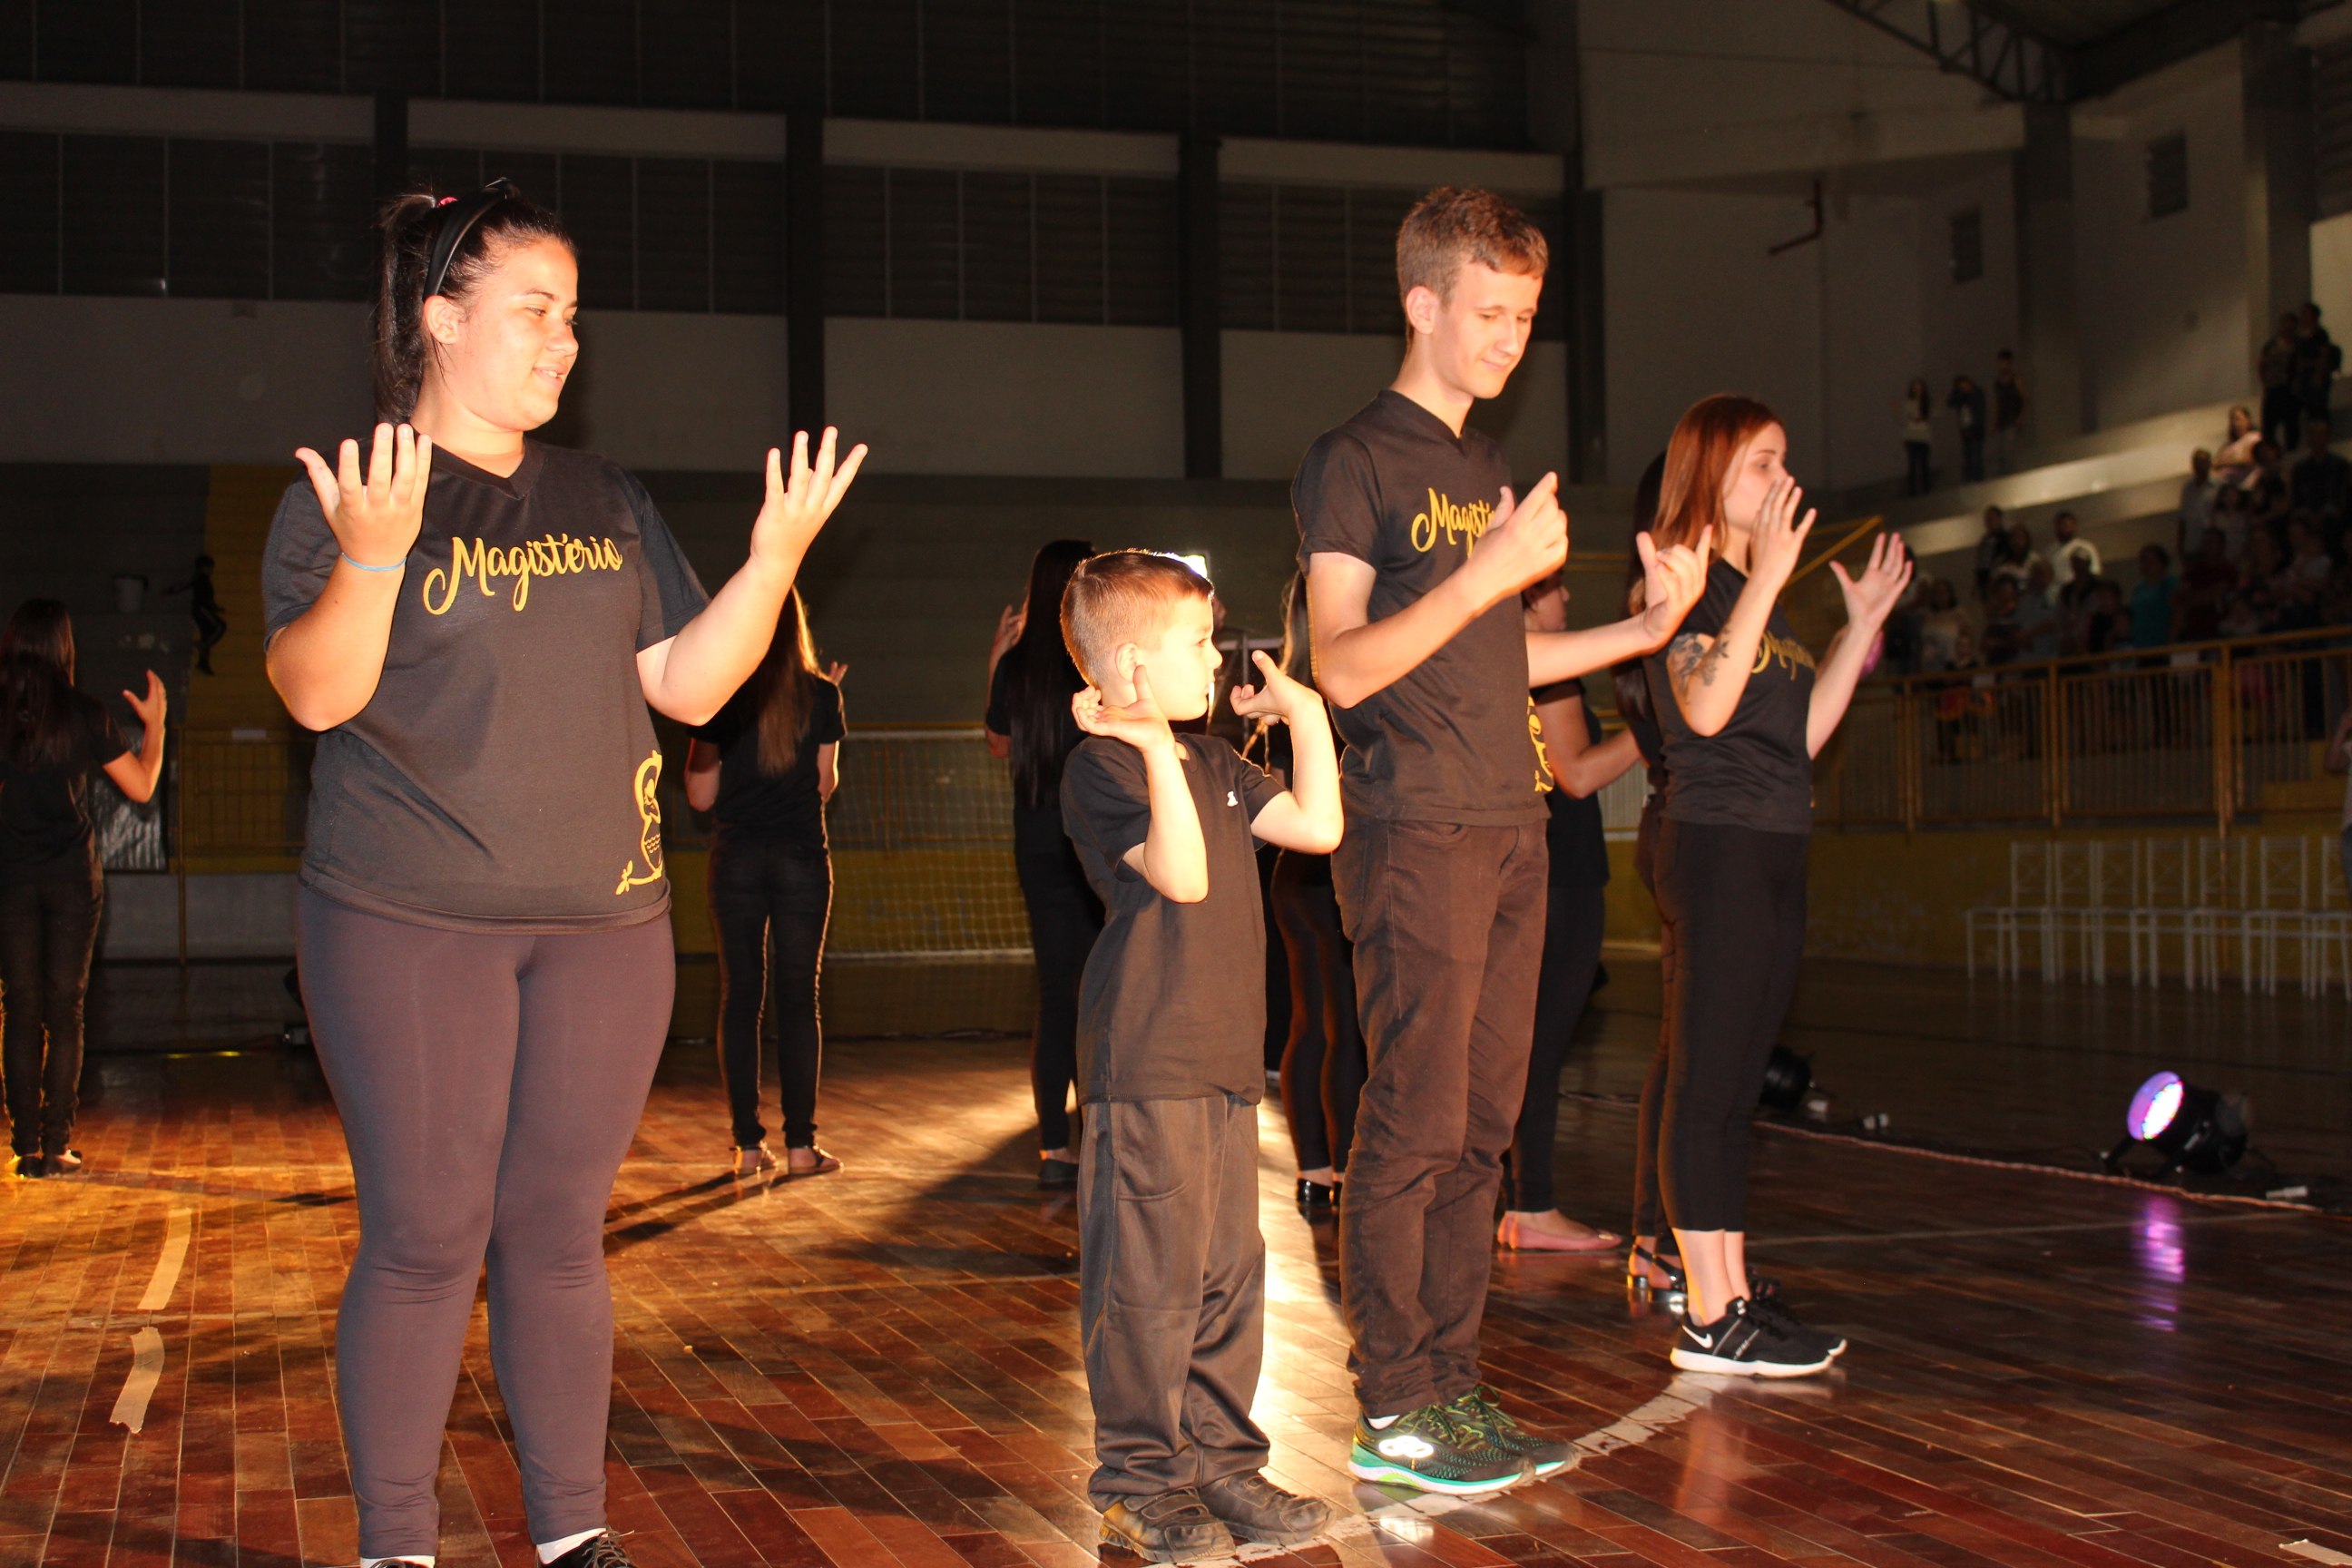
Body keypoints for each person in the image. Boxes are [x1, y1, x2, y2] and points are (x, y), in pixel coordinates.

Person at [261, 179, 866, 1568]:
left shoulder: (605, 495)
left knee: (556, 1235)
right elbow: (314, 694)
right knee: (425, 1237)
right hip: (409, 921)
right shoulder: (360, 494)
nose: (563, 341)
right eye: (535, 311)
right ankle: (398, 1544)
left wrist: (771, 563)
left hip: (606, 925)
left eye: (573, 318)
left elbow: (691, 689)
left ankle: (570, 1533)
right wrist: (368, 564)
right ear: (438, 319)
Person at [1295, 185, 1710, 1493]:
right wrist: (1486, 570)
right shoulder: (1356, 459)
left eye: (1527, 317)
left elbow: (1509, 653)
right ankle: (1395, 1403)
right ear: (1422, 302)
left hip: (1511, 826)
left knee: (1484, 1130)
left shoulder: (1482, 473)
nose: (1510, 339)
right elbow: (1344, 664)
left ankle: (1453, 1387)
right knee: (1413, 1124)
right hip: (1414, 828)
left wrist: (1642, 633)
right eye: (1490, 312)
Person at [1055, 550, 1342, 1561]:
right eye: (1196, 644)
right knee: (1149, 1285)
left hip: (1221, 1067)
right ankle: (1141, 1479)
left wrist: (1305, 713)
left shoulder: (1219, 763)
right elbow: (1176, 876)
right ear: (1130, 668)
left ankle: (1222, 1463)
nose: (1218, 659)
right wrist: (1145, 746)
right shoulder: (1100, 769)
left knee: (1228, 1276)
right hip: (1148, 1066)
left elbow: (1318, 824)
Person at [1644, 393, 1911, 1376]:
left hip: (1773, 844)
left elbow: (1798, 736)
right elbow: (1706, 708)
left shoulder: (1766, 589)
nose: (1781, 478)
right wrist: (1758, 582)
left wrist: (1859, 626)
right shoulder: (1684, 580)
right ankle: (1710, 1314)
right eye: (1762, 462)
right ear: (1712, 473)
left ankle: (1736, 1293)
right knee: (1705, 1082)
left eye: (1784, 459)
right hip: (1713, 848)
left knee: (1733, 1089)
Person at [1497, 571, 1642, 1252]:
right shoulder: (1550, 673)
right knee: (1541, 1046)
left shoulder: (1506, 663)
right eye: (1556, 588)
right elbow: (1576, 772)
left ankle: (1516, 1198)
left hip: (1539, 866)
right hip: (1560, 872)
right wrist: (1654, 727)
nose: (1568, 597)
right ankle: (1533, 1205)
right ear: (1529, 596)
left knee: (1521, 1043)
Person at [0, 600, 166, 1179]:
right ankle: (56, 1144)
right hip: (72, 878)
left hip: (11, 879)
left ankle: (22, 1147)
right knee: (65, 1010)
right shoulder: (83, 713)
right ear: (64, 648)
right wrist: (157, 724)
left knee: (19, 1008)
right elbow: (143, 787)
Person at [685, 586, 847, 1180]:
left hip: (737, 859)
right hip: (802, 857)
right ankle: (802, 1148)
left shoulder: (721, 697)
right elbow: (824, 787)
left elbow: (700, 794)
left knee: (740, 997)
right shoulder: (823, 696)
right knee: (799, 997)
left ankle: (747, 1148)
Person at [985, 540, 1102, 1187]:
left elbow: (998, 742)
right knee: (1098, 990)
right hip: (1095, 839)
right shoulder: (1095, 662)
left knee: (1057, 993)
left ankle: (1055, 1146)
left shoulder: (1018, 667)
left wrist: (996, 660)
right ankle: (1093, 1131)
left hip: (1036, 840)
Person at [1260, 573, 1364, 1212]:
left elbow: (1270, 788)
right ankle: (1348, 1170)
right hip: (1330, 872)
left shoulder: (1284, 698)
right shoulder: (1343, 695)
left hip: (1289, 876)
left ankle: (1314, 1170)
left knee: (1310, 1024)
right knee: (1344, 1027)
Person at [2290, 416, 2352, 550]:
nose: (2317, 439)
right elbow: (2297, 496)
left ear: (2327, 438)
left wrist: (2325, 513)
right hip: (2306, 515)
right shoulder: (2300, 468)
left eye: (2320, 435)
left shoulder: (2340, 465)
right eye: (2313, 435)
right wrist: (2309, 514)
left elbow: (2342, 495)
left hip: (2333, 515)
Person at [165, 554, 229, 676]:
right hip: (201, 610)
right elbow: (183, 585)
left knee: (207, 633)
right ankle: (203, 645)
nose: (211, 571)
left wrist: (216, 608)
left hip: (205, 609)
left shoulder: (205, 580)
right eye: (210, 568)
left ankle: (203, 662)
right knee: (220, 626)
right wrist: (170, 591)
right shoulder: (199, 578)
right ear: (203, 567)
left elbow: (208, 599)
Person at [2294, 301, 2338, 431]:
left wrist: (2318, 374)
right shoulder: (2301, 335)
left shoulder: (2320, 334)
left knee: (2318, 407)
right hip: (2305, 375)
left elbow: (2323, 355)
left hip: (2316, 374)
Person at [2261, 312, 2302, 450]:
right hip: (2273, 387)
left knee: (2291, 423)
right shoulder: (2272, 345)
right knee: (2269, 424)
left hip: (2289, 388)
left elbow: (2300, 365)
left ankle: (2291, 449)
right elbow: (2262, 362)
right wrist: (2264, 380)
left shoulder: (2298, 345)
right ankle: (2270, 451)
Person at [2129, 544, 2178, 650]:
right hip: (2141, 644)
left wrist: (2170, 642)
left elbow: (2177, 614)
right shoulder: (2139, 589)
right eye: (2143, 561)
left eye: (2151, 562)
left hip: (2162, 643)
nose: (2147, 566)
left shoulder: (2170, 584)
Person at [1916, 577, 1969, 672]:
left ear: (1950, 594)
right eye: (1937, 593)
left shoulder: (1959, 614)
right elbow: (1922, 642)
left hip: (1952, 663)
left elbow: (1966, 638)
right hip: (1930, 664)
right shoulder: (1928, 615)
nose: (1941, 596)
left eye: (1944, 592)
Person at [2178, 450, 2220, 560]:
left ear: (2209, 463)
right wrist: (2180, 544)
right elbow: (2184, 518)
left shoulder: (2219, 486)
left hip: (2211, 544)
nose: (2200, 465)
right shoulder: (2187, 488)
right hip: (2191, 543)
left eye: (2203, 461)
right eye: (2197, 462)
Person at [1947, 373, 1987, 483]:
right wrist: (1959, 392)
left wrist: (1968, 394)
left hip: (1977, 429)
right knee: (1967, 455)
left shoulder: (1977, 393)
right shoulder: (1961, 397)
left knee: (1977, 455)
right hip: (1965, 430)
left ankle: (1979, 479)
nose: (1964, 387)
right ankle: (1969, 479)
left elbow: (1979, 411)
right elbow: (1950, 402)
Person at [1992, 349, 2026, 474]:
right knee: (2001, 452)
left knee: (2010, 451)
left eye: (2005, 362)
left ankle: (2012, 474)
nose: (2002, 365)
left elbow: (2025, 399)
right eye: (2001, 362)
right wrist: (1994, 423)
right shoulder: (1997, 383)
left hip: (2012, 420)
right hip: (2002, 421)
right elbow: (1997, 403)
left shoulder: (2016, 380)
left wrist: (2021, 417)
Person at [1898, 378, 1932, 495]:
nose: (1918, 390)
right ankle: (1912, 490)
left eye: (1920, 388)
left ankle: (1926, 489)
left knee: (1924, 464)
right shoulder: (1908, 403)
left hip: (1923, 437)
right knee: (1912, 464)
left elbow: (1933, 414)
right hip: (1911, 437)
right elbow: (1903, 420)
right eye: (1915, 388)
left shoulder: (1926, 402)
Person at [2045, 510, 2099, 584]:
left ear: (2074, 526)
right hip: (2057, 592)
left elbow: (2094, 571)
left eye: (2065, 525)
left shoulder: (2086, 547)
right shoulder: (2049, 551)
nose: (2062, 528)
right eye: (2059, 525)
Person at [2216, 404, 2262, 481]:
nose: (2235, 424)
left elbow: (2250, 460)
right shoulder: (2229, 446)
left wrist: (2225, 463)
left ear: (2247, 420)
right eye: (2232, 420)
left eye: (2238, 419)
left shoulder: (2254, 438)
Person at [1972, 505, 2006, 600]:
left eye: (1992, 518)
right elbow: (1980, 562)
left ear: (1999, 519)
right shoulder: (1984, 540)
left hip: (1999, 579)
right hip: (1985, 579)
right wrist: (1976, 583)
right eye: (1987, 519)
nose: (1989, 522)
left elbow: (2003, 559)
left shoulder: (2005, 538)